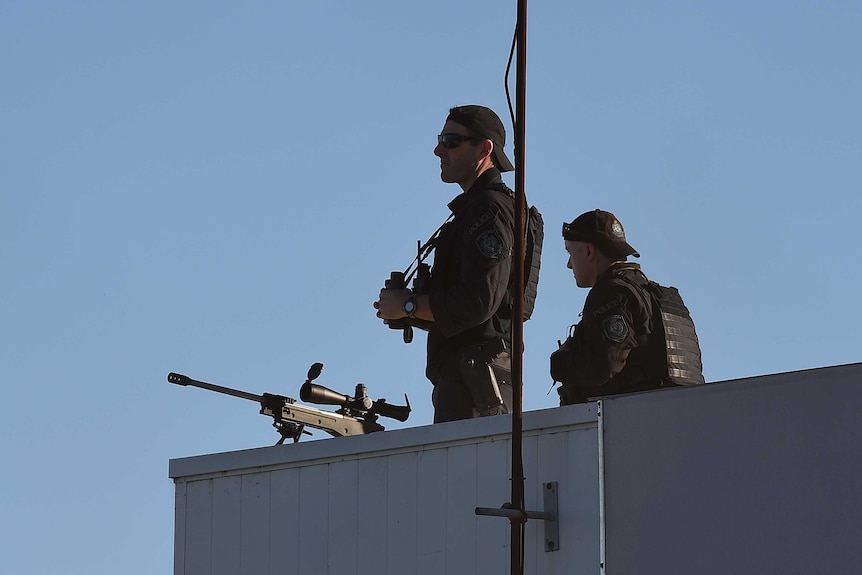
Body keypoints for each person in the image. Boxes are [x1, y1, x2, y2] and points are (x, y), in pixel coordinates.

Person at [374, 105, 522, 423]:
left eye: (451, 141)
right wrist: (407, 309)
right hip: (470, 379)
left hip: (475, 383)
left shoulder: (489, 211)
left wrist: (411, 306)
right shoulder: (477, 210)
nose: (438, 149)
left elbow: (477, 303)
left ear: (484, 148)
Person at [550, 209, 704, 405]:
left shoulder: (611, 294)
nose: (569, 265)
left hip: (637, 419)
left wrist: (561, 363)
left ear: (589, 252)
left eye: (570, 253)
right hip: (690, 413)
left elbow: (603, 366)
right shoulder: (660, 296)